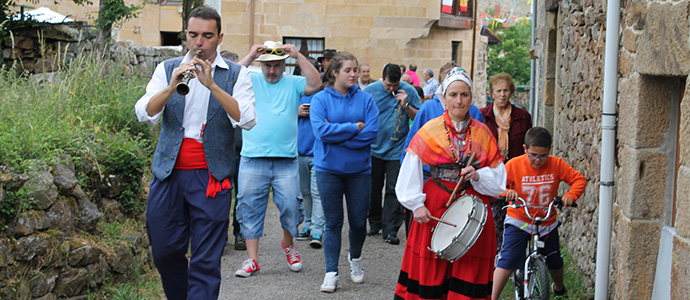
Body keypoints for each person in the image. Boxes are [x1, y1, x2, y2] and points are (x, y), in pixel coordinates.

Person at [134, 7, 256, 300]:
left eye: (207, 36)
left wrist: (212, 85)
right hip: (168, 174)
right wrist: (171, 86)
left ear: (219, 37)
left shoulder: (238, 74)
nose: (199, 43)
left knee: (206, 259)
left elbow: (248, 119)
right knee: (164, 250)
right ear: (186, 35)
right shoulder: (167, 68)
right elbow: (145, 113)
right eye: (193, 35)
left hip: (210, 178)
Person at [394, 67, 506, 300]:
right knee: (432, 268)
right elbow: (409, 170)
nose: (458, 100)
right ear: (443, 98)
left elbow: (498, 180)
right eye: (453, 95)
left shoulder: (483, 133)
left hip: (474, 208)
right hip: (436, 206)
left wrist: (478, 176)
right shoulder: (429, 130)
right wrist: (416, 205)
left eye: (464, 95)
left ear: (471, 98)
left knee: (468, 269)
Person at [234, 40, 321, 277]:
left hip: (286, 159)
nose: (272, 70)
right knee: (250, 207)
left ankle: (288, 244)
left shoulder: (293, 83)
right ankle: (252, 259)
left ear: (284, 65)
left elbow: (316, 83)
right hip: (253, 157)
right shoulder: (250, 80)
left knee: (291, 207)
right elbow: (230, 79)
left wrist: (298, 55)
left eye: (277, 66)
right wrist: (251, 54)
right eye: (267, 66)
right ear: (260, 65)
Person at [310, 51, 379, 293]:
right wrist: (353, 128)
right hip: (328, 169)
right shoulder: (320, 100)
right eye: (348, 70)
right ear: (335, 72)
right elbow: (320, 132)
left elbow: (371, 133)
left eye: (355, 70)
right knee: (333, 222)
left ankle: (355, 258)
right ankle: (331, 272)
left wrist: (338, 136)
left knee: (359, 222)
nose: (354, 74)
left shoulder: (366, 99)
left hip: (359, 170)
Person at [491, 127, 587, 299]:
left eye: (543, 156)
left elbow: (579, 180)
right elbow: (496, 186)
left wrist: (570, 196)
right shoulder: (514, 165)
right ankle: (493, 296)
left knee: (554, 260)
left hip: (546, 222)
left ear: (549, 151)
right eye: (533, 155)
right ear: (525, 149)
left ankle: (558, 288)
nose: (537, 160)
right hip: (519, 220)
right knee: (508, 260)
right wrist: (506, 193)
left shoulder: (556, 164)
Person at [399, 63, 484, 235]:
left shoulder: (473, 112)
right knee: (426, 230)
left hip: (463, 184)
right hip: (428, 178)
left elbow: (483, 150)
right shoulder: (429, 108)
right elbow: (412, 146)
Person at [364, 63, 421, 245]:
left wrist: (405, 105)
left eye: (395, 86)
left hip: (397, 149)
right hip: (374, 148)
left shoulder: (408, 91)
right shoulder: (370, 91)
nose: (392, 89)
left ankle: (390, 230)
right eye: (388, 85)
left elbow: (418, 117)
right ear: (382, 78)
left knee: (394, 189)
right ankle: (374, 223)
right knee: (373, 189)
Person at [480, 72, 532, 253]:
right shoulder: (482, 117)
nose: (502, 94)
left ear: (511, 93)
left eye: (506, 90)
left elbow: (528, 147)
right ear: (491, 93)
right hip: (492, 173)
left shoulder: (523, 116)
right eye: (498, 91)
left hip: (516, 174)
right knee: (494, 218)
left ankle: (514, 256)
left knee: (516, 217)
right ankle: (495, 258)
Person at [296, 57, 325, 249]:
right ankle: (307, 223)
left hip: (317, 151)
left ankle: (317, 228)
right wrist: (295, 111)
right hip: (299, 151)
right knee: (304, 192)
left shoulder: (323, 93)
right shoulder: (296, 92)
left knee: (317, 192)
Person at [219, 50, 246, 251]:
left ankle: (239, 234)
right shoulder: (213, 91)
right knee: (220, 196)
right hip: (220, 152)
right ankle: (220, 237)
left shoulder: (243, 89)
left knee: (241, 196)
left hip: (241, 151)